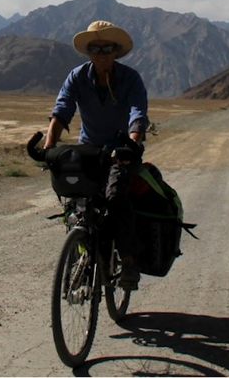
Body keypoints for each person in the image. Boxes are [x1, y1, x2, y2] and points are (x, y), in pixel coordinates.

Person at [44, 20, 150, 289]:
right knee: (77, 202)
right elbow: (61, 111)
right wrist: (48, 149)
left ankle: (128, 260)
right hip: (89, 151)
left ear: (115, 51)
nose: (101, 53)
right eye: (95, 48)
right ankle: (82, 255)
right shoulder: (77, 77)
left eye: (107, 48)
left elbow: (138, 114)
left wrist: (133, 142)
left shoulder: (130, 79)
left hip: (122, 150)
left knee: (115, 196)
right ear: (88, 52)